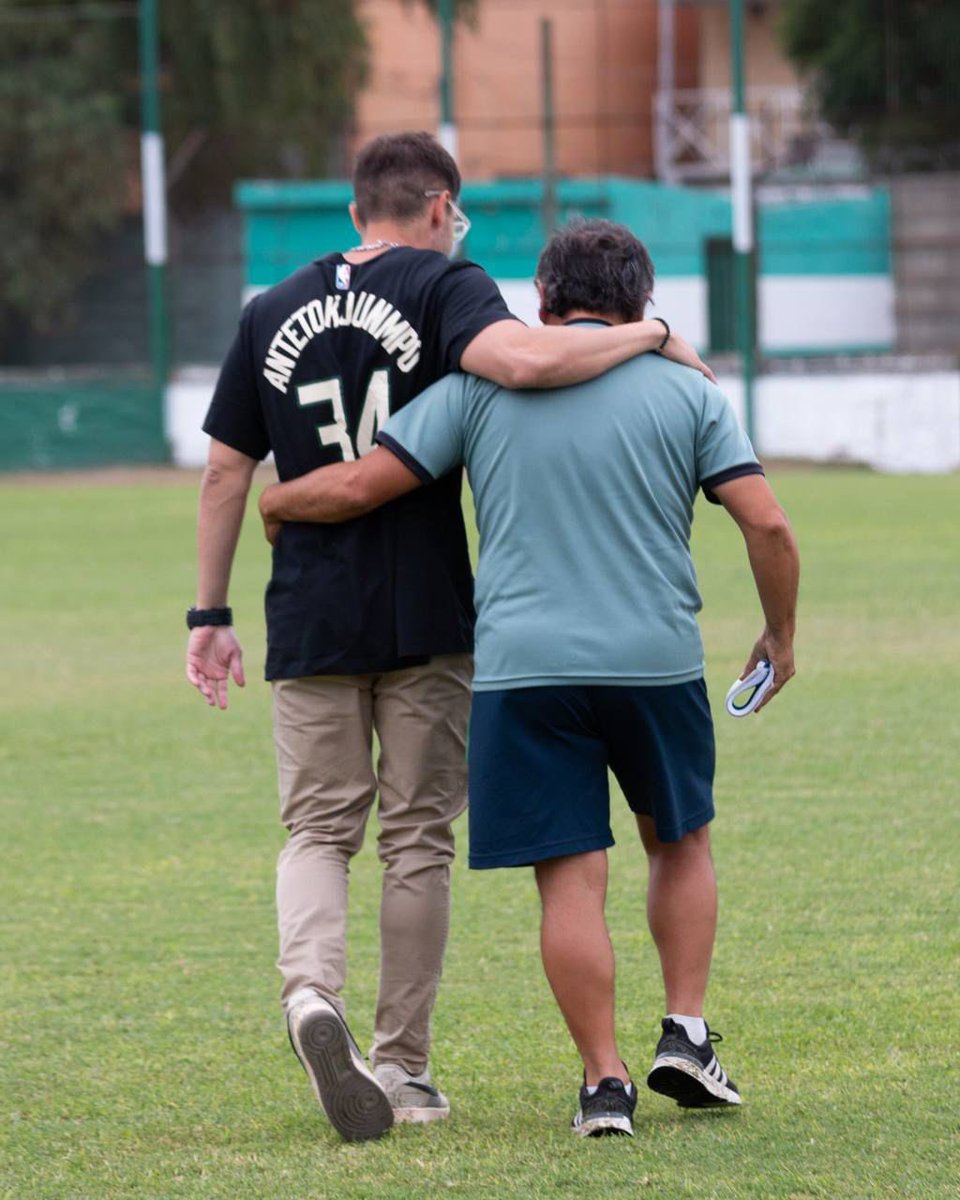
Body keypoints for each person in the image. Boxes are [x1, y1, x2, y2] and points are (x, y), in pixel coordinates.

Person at [186, 133, 714, 1143]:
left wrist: (209, 614)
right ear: (440, 207)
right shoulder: (446, 286)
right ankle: (403, 1067)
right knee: (416, 838)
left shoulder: (267, 309)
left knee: (315, 831)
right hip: (427, 606)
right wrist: (649, 339)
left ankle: (309, 995)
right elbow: (521, 361)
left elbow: (224, 474)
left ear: (353, 211)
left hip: (307, 609)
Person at [257, 217, 800, 1139]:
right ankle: (687, 1031)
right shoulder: (689, 390)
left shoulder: (477, 391)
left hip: (522, 673)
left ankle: (603, 1085)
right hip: (655, 663)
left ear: (542, 303)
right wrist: (780, 636)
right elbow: (770, 526)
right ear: (645, 304)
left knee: (569, 879)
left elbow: (359, 486)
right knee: (681, 843)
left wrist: (275, 499)